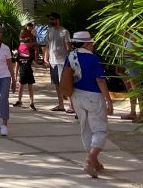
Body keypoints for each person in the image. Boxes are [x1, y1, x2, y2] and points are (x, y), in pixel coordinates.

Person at [64, 31, 113, 178]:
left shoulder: (70, 56)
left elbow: (67, 77)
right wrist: (108, 100)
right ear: (86, 44)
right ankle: (91, 159)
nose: (93, 45)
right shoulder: (93, 58)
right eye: (91, 43)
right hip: (93, 96)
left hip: (76, 96)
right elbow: (101, 80)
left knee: (85, 129)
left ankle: (95, 163)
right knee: (100, 130)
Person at [45, 12, 73, 112]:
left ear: (58, 20)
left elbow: (69, 47)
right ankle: (61, 105)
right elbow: (47, 46)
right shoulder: (49, 31)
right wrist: (45, 59)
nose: (50, 21)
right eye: (50, 19)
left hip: (63, 62)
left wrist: (68, 61)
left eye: (52, 19)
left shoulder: (64, 32)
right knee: (57, 84)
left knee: (65, 84)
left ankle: (71, 106)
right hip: (53, 62)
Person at [13, 22, 37, 110]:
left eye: (32, 27)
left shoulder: (32, 33)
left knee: (29, 87)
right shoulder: (23, 31)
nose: (30, 28)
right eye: (29, 27)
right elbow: (20, 39)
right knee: (21, 86)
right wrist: (26, 40)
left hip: (28, 54)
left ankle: (31, 102)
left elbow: (34, 41)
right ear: (27, 26)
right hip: (24, 47)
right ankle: (20, 100)